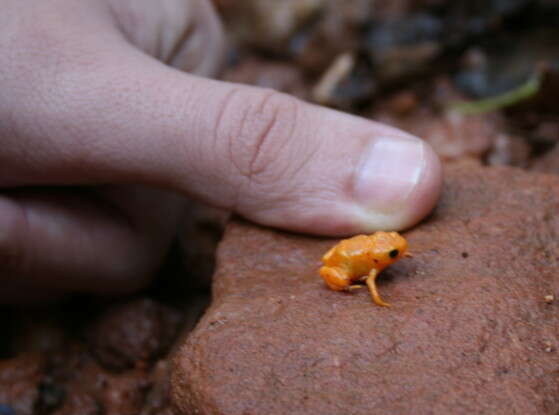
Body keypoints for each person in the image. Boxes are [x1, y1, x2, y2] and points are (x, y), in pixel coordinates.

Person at [0, 0, 443, 302]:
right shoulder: (369, 266)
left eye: (391, 252)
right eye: (390, 254)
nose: (392, 255)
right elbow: (366, 281)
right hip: (341, 268)